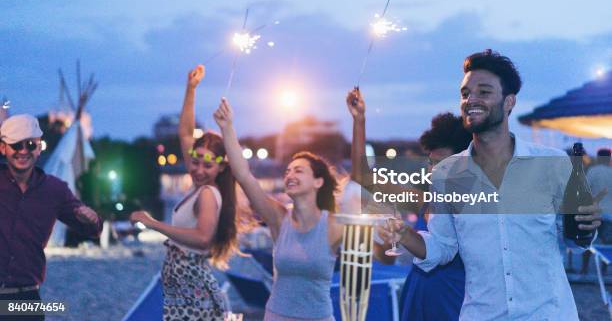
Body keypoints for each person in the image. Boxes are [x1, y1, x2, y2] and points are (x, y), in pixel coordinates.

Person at [383, 50, 604, 320]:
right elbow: (443, 246)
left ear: (509, 102)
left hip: (548, 313)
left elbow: (574, 238)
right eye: (465, 93)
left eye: (484, 92)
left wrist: (586, 225)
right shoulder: (447, 174)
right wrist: (406, 236)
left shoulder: (552, 164)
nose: (471, 99)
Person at [214, 97, 343, 321]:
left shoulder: (332, 224)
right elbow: (243, 175)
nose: (290, 175)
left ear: (318, 182)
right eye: (288, 171)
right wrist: (227, 128)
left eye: (299, 171)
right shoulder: (279, 218)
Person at [130, 65, 243, 321]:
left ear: (221, 166)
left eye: (208, 165)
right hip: (183, 285)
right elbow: (185, 132)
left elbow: (203, 238)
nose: (198, 169)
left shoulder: (207, 193)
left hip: (192, 286)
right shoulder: (199, 188)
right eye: (195, 161)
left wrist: (153, 223)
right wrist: (191, 89)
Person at [347, 90, 469, 320]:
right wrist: (359, 120)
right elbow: (362, 176)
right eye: (432, 164)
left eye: (442, 164)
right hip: (417, 295)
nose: (434, 172)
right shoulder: (425, 202)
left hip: (454, 303)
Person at [0, 114, 102, 321]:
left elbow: (93, 230)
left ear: (39, 148)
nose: (23, 151)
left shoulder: (54, 189)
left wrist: (92, 220)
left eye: (30, 145)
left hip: (25, 300)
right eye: (16, 145)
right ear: (3, 148)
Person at [580, 148, 612, 273]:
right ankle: (603, 271)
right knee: (607, 243)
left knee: (588, 240)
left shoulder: (592, 171)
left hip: (594, 213)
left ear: (598, 158)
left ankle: (584, 269)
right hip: (610, 214)